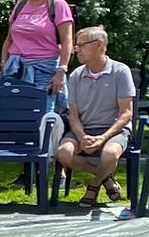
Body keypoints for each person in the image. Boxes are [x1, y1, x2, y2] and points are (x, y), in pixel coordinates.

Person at [55, 27, 136, 207]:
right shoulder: (76, 75)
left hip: (114, 130)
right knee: (63, 153)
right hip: (84, 128)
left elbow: (126, 113)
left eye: (81, 45)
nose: (77, 50)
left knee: (109, 154)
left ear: (99, 45)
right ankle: (104, 177)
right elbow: (73, 115)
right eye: (76, 46)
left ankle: (93, 185)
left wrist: (103, 138)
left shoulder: (120, 71)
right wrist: (82, 136)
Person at [0, 0, 75, 109]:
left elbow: (67, 40)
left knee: (41, 115)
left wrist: (61, 70)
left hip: (44, 70)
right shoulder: (20, 6)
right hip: (15, 69)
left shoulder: (58, 4)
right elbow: (9, 39)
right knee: (13, 113)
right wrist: (3, 64)